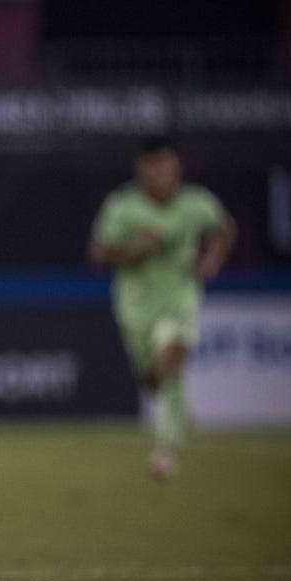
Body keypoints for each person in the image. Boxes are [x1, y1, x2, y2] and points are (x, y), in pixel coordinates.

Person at [89, 137, 236, 480]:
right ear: (141, 171)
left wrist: (211, 260)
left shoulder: (196, 203)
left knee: (173, 355)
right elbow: (98, 254)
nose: (160, 175)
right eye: (152, 168)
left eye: (166, 166)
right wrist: (134, 249)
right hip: (136, 305)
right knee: (153, 379)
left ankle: (165, 451)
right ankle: (179, 409)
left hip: (181, 297)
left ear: (176, 167)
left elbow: (224, 229)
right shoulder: (124, 207)